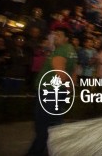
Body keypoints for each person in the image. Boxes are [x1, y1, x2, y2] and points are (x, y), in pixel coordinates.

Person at [28, 28, 78, 156]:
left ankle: (36, 152)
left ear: (66, 38)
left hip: (49, 91)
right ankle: (53, 150)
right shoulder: (71, 50)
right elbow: (73, 72)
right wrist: (67, 90)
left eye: (59, 35)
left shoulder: (61, 51)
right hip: (58, 92)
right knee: (54, 123)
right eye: (55, 34)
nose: (55, 37)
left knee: (42, 125)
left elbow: (61, 75)